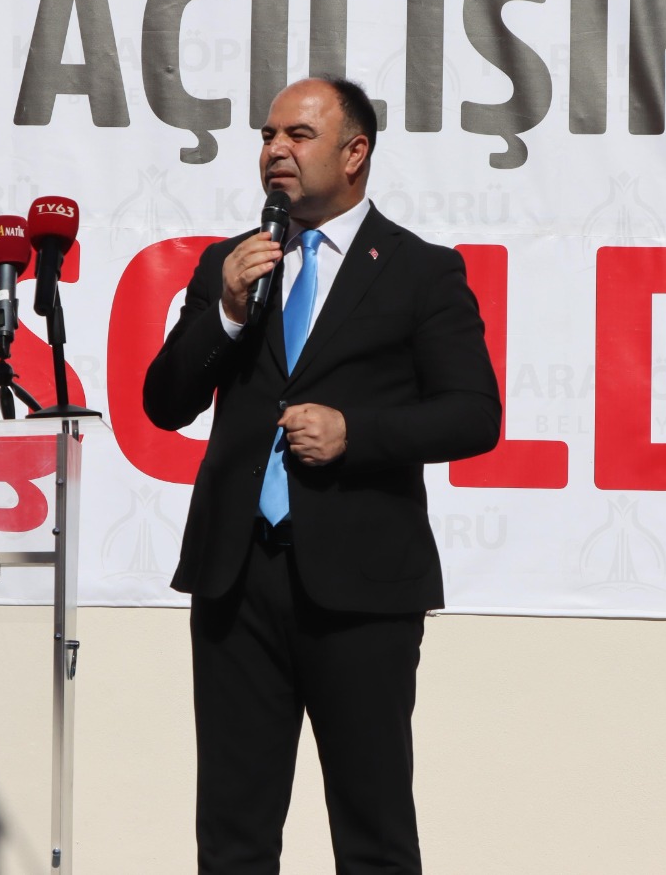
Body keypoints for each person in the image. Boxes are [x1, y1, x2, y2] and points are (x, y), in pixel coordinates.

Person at [142, 76, 502, 874]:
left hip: (361, 587)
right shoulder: (231, 265)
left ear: (354, 152)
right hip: (237, 578)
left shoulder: (420, 271)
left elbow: (474, 415)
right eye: (267, 136)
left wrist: (356, 433)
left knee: (374, 836)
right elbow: (164, 402)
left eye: (298, 135)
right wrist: (227, 311)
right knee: (232, 836)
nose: (276, 150)